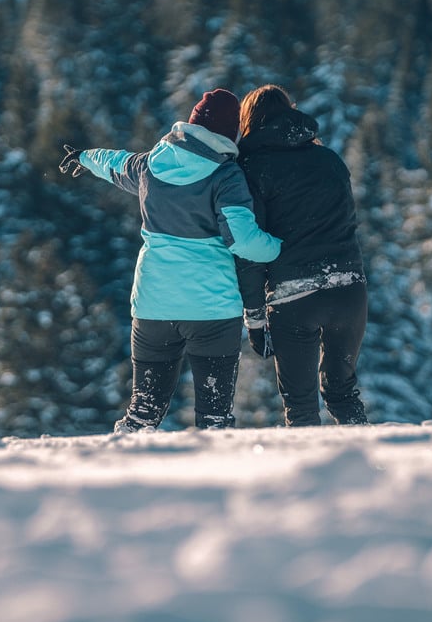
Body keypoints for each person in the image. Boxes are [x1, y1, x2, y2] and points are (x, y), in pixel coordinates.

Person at [59, 89, 282, 431]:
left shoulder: (149, 164)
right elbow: (243, 242)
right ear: (229, 134)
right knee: (214, 419)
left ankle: (117, 474)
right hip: (212, 310)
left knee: (142, 415)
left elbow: (114, 161)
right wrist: (281, 247)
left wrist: (84, 156)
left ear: (190, 124)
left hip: (153, 307)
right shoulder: (226, 176)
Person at [235, 84, 369, 426]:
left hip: (294, 295)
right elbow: (348, 221)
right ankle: (369, 472)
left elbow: (251, 250)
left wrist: (254, 317)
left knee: (300, 406)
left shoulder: (252, 168)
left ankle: (313, 478)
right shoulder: (330, 160)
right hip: (349, 288)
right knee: (343, 393)